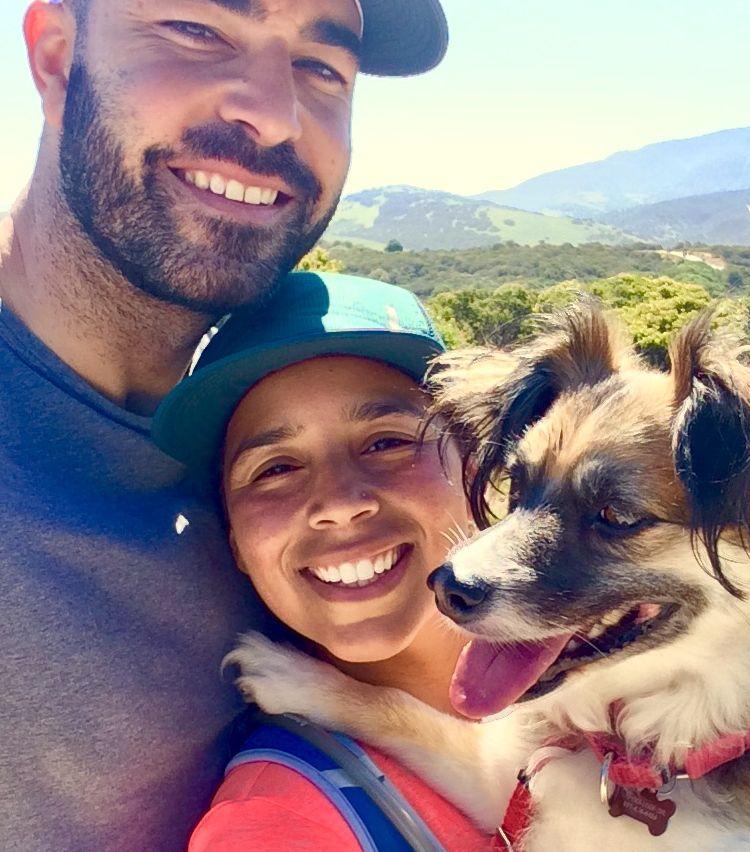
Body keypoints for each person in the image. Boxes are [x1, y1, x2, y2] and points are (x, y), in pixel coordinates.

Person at [0, 1, 448, 848]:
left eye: (324, 66)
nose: (273, 113)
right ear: (58, 56)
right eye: (197, 30)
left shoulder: (257, 415)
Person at [151, 271, 494, 850]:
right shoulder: (279, 825)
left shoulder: (636, 651)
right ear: (235, 541)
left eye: (386, 442)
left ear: (478, 463)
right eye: (275, 469)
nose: (339, 504)